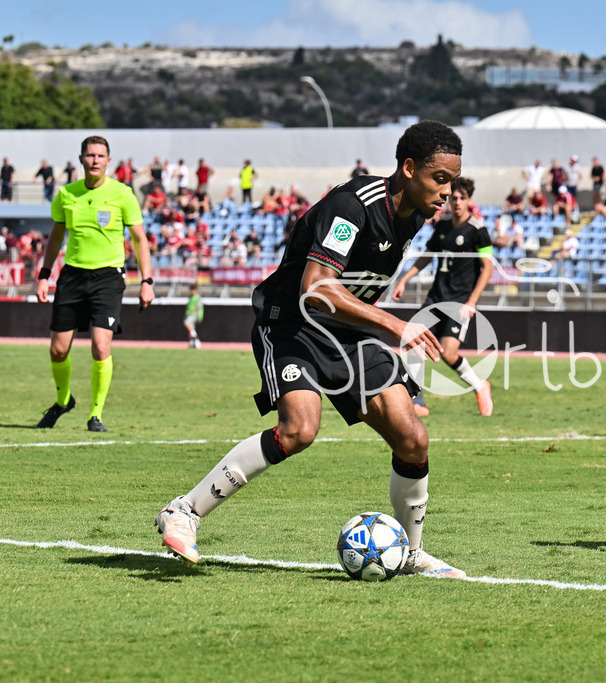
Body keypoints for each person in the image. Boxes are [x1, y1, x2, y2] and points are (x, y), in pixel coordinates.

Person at [155, 120, 467, 579]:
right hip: (293, 325)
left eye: (453, 182)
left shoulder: (416, 215)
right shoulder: (351, 207)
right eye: (440, 179)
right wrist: (392, 324)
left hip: (347, 333)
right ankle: (183, 511)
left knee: (413, 438)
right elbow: (316, 288)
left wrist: (375, 323)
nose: (447, 191)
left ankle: (411, 554)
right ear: (408, 168)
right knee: (299, 430)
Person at [34, 135, 154, 432]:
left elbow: (140, 239)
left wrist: (147, 280)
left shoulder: (123, 194)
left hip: (108, 278)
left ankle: (95, 414)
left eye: (100, 156)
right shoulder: (66, 194)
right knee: (57, 351)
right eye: (90, 155)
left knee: (101, 347)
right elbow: (56, 237)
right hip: (72, 276)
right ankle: (63, 400)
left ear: (108, 161)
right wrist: (44, 274)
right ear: (81, 159)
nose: (95, 160)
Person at [392, 175, 494, 418]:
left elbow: (487, 268)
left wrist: (472, 302)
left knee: (448, 353)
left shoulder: (478, 231)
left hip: (459, 302)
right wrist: (405, 280)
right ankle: (418, 402)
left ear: (469, 201)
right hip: (435, 298)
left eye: (462, 198)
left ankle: (480, 386)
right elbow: (427, 256)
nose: (457, 202)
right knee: (414, 344)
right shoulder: (442, 226)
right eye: (453, 198)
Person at [184, 283, 204, 348]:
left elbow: (198, 307)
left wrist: (191, 312)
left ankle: (196, 338)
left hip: (195, 314)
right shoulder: (191, 297)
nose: (191, 291)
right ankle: (193, 343)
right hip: (190, 314)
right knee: (191, 328)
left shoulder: (197, 297)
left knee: (187, 323)